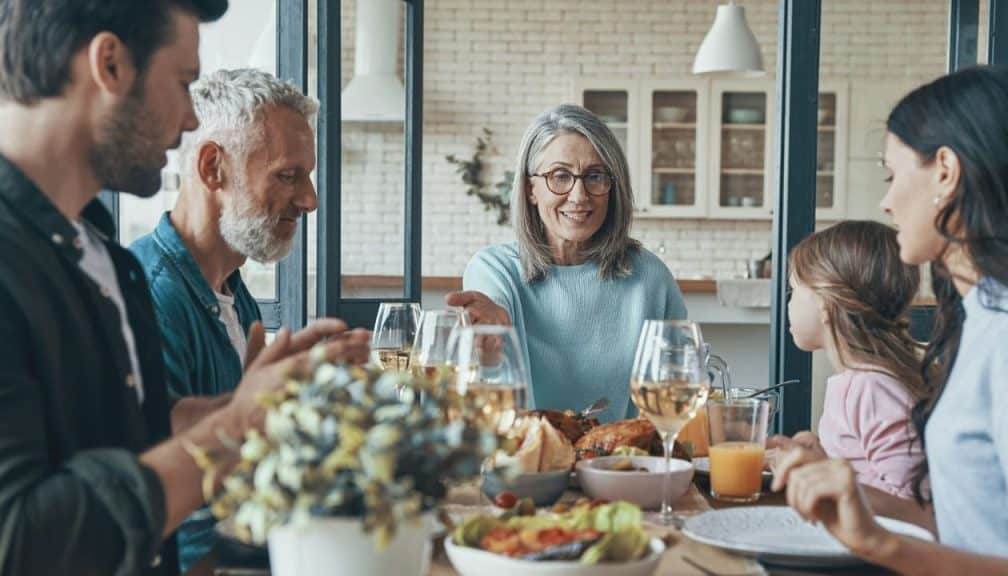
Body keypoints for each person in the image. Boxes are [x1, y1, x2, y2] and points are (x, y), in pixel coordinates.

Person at [0, 2, 361, 574]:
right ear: (111, 64)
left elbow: (136, 437)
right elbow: (21, 537)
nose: (192, 120)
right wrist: (235, 424)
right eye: (184, 82)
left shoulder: (102, 257)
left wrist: (264, 401)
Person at [773, 66, 1008, 574]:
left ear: (946, 172)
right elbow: (965, 527)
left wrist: (878, 543)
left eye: (892, 175)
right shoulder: (979, 317)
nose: (886, 202)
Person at [129, 68, 369, 571]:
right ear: (214, 168)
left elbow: (247, 454)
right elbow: (165, 504)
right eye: (288, 175)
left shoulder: (238, 297)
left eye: (308, 176)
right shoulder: (149, 296)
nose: (310, 200)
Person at [447, 104, 687, 422]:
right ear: (530, 189)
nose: (579, 196)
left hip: (625, 467)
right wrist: (489, 354)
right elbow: (484, 404)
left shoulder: (650, 278)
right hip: (527, 465)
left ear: (613, 187)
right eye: (560, 176)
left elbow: (682, 392)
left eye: (595, 176)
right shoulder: (494, 271)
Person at [775, 220, 930, 499]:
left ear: (825, 303)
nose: (788, 303)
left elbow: (909, 499)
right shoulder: (858, 382)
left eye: (793, 290)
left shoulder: (872, 388)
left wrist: (823, 472)